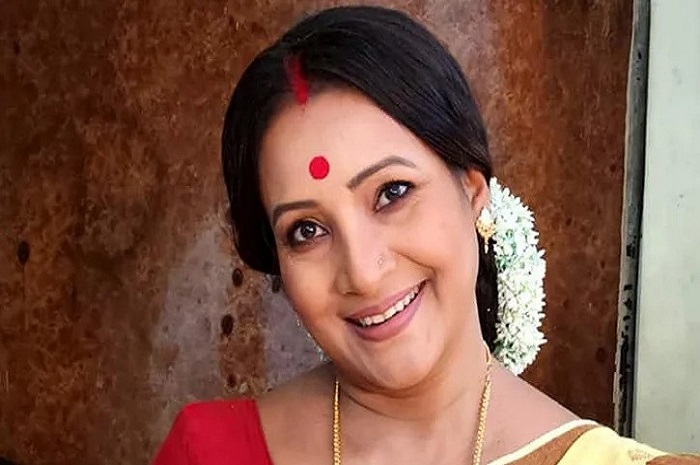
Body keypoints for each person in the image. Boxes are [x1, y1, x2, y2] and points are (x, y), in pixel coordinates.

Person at [152, 6, 699, 465]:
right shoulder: (210, 453)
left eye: (392, 193)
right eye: (307, 230)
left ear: (472, 189)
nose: (363, 272)